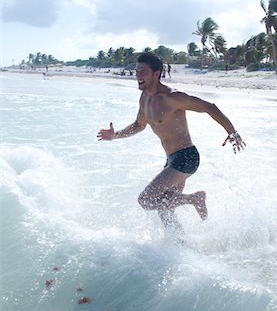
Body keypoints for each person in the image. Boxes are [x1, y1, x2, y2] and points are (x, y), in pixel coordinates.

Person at [97, 52, 246, 233]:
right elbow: (139, 125)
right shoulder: (144, 98)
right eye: (137, 71)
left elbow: (209, 107)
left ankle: (194, 198)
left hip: (186, 157)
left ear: (156, 73)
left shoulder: (172, 98)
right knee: (165, 211)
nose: (138, 75)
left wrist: (232, 132)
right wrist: (115, 135)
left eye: (143, 71)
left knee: (146, 200)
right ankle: (179, 248)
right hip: (171, 160)